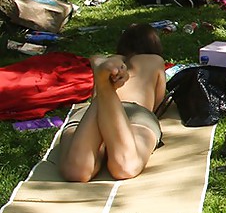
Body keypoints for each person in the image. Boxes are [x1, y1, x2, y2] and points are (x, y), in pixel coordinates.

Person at [58, 24, 167, 182]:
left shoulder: (112, 62)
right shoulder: (155, 61)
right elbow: (157, 103)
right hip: (135, 112)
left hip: (94, 110)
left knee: (76, 171)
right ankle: (106, 90)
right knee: (125, 166)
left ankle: (105, 89)